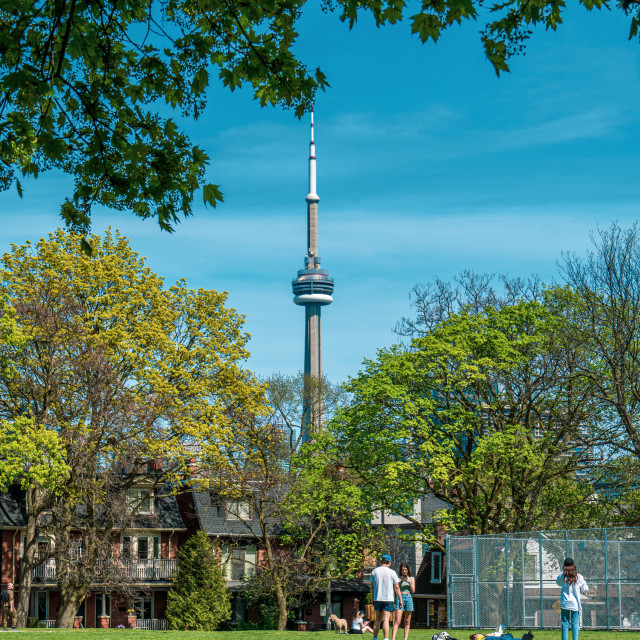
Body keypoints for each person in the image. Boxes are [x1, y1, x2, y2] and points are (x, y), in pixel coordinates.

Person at [371, 554, 403, 640]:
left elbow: (372, 587)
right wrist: (400, 599)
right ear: (389, 562)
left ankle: (375, 638)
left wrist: (372, 598)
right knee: (385, 620)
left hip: (377, 598)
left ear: (382, 561)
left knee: (377, 620)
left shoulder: (374, 571)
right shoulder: (392, 572)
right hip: (388, 599)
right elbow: (397, 587)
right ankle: (386, 638)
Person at [556, 558, 589, 640]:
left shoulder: (562, 576)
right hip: (575, 603)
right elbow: (585, 588)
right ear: (573, 566)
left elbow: (558, 583)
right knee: (575, 624)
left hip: (565, 603)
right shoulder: (578, 576)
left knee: (565, 623)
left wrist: (563, 574)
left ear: (564, 566)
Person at [392, 563, 415, 640]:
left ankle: (405, 638)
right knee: (397, 621)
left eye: (405, 570)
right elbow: (396, 588)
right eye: (403, 570)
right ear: (400, 571)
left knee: (407, 621)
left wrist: (409, 582)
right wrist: (401, 581)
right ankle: (393, 638)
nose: (404, 571)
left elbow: (413, 591)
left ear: (408, 570)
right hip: (400, 597)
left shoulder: (412, 578)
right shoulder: (398, 578)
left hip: (408, 597)